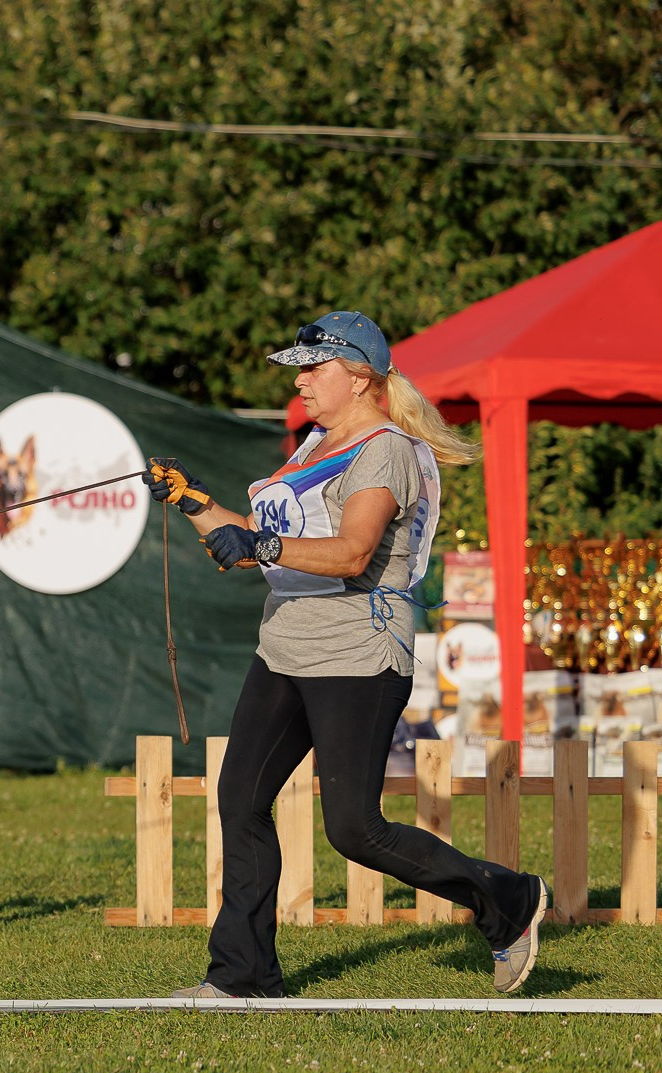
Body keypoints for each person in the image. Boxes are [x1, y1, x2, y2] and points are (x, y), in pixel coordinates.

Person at [147, 310, 548, 998]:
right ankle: (241, 977)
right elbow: (251, 539)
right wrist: (192, 502)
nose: (299, 382)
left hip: (358, 652)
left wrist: (260, 546)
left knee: (356, 831)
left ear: (359, 377)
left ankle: (507, 900)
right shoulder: (312, 446)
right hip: (286, 646)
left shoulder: (384, 449)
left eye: (312, 368)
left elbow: (352, 551)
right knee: (240, 798)